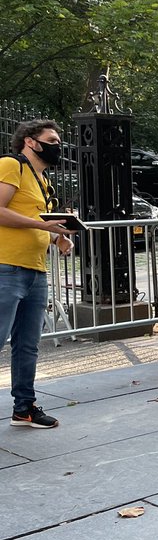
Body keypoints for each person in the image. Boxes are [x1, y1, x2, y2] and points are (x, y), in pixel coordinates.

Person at [0, 120, 75, 429]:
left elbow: (36, 220)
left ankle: (24, 409)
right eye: (52, 140)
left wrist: (58, 237)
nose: (58, 146)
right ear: (30, 142)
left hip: (35, 270)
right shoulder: (11, 165)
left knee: (28, 344)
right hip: (6, 268)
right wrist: (42, 225)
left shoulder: (43, 181)